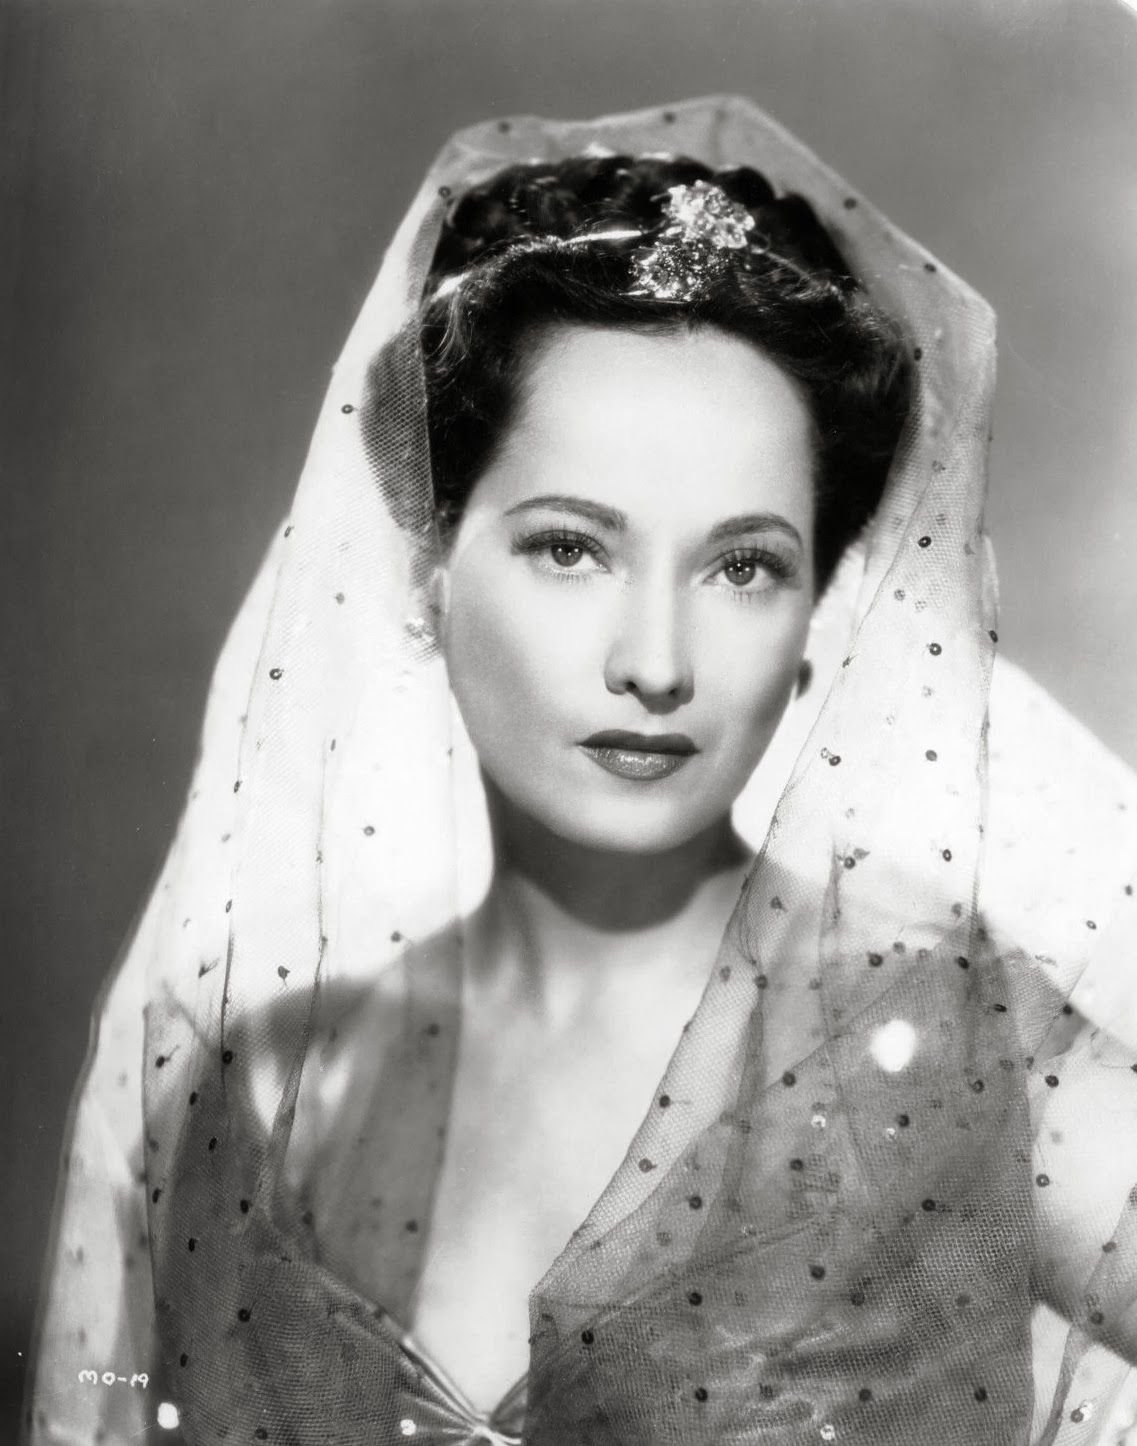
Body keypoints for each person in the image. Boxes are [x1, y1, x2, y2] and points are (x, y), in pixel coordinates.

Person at [22, 96, 1137, 1446]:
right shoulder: (255, 1094)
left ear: (811, 626)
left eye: (743, 567)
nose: (655, 660)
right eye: (570, 548)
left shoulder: (937, 1051)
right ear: (430, 569)